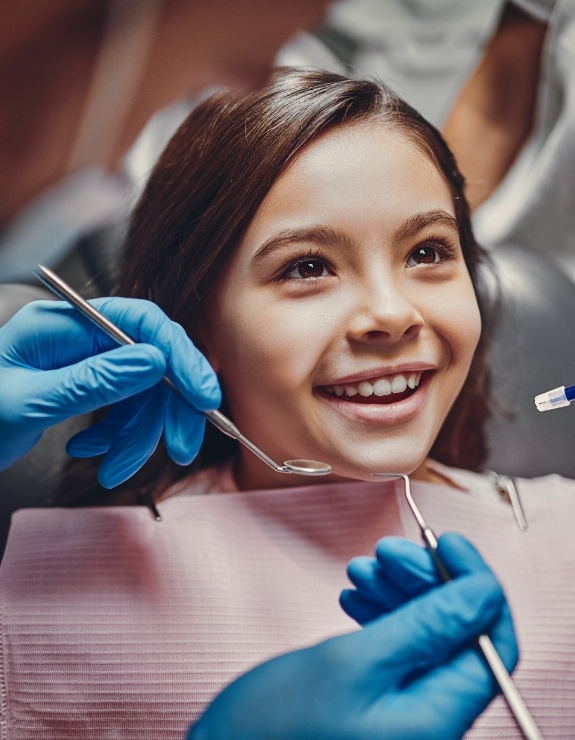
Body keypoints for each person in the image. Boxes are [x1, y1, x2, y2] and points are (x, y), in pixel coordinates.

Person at [8, 67, 572, 739]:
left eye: (427, 251)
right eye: (307, 266)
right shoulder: (64, 598)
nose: (390, 314)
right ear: (196, 328)